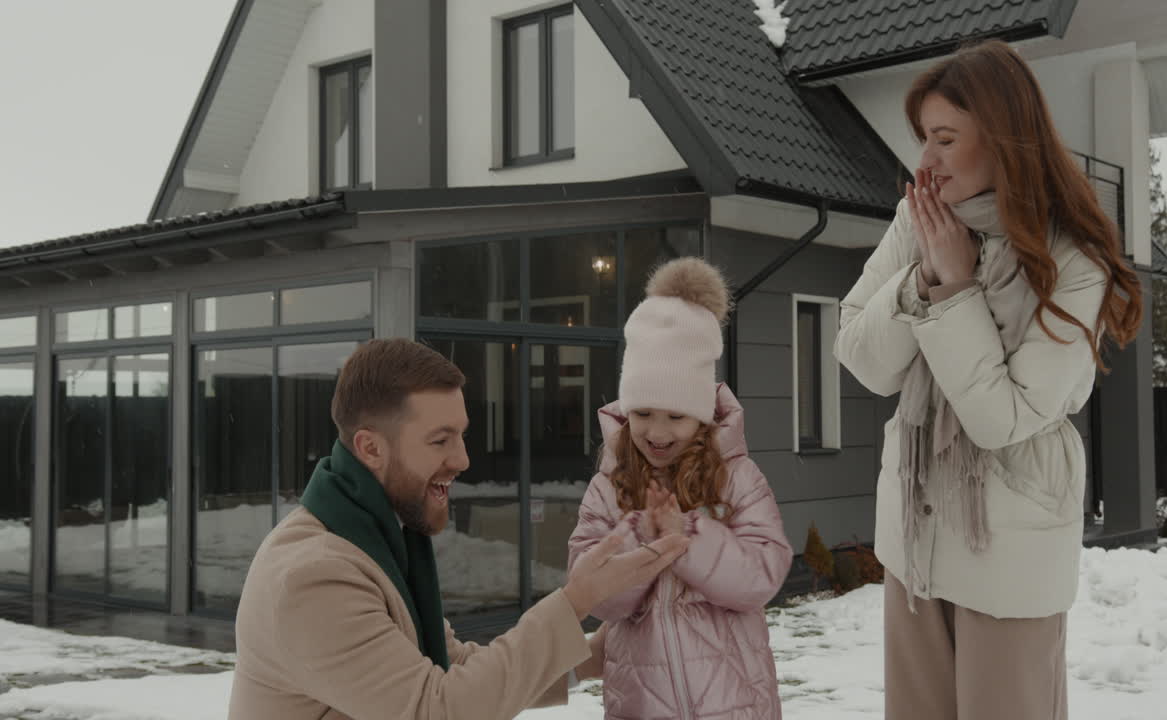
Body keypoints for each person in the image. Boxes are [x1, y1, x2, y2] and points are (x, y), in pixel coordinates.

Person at [834, 40, 1142, 720]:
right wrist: (924, 273)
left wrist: (955, 292)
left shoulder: (1073, 257)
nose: (926, 163)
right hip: (914, 533)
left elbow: (1002, 419)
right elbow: (863, 357)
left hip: (1012, 541)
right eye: (923, 140)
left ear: (1005, 140)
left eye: (945, 139)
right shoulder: (918, 223)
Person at [228, 338, 689, 719]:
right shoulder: (315, 578)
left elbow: (455, 668)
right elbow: (438, 708)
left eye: (461, 434)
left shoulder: (375, 538)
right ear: (371, 448)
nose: (463, 459)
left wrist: (591, 656)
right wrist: (575, 601)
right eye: (439, 440)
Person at [568, 257, 792, 720]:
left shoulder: (736, 478)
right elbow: (594, 595)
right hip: (642, 705)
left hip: (732, 704)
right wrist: (643, 537)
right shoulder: (608, 489)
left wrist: (686, 535)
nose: (657, 432)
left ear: (702, 415)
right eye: (644, 412)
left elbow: (761, 576)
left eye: (676, 416)